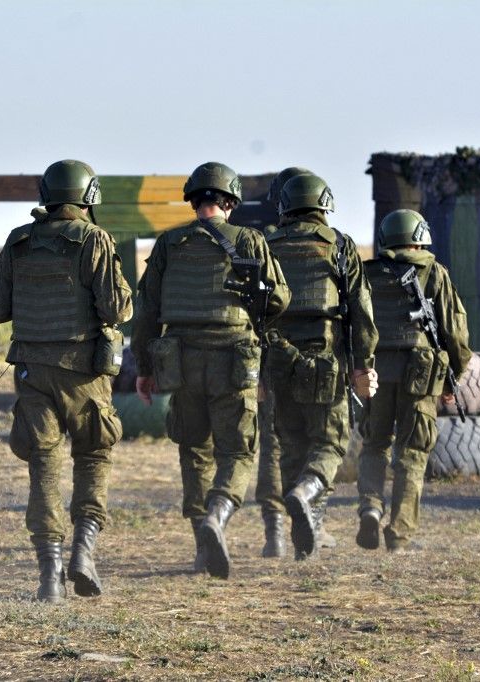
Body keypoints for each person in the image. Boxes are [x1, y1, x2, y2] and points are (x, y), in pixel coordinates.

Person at [0, 160, 133, 602]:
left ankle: (49, 576)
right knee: (93, 456)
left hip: (32, 372)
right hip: (84, 373)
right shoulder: (95, 239)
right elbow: (116, 309)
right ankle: (83, 553)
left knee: (43, 466)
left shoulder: (19, 241)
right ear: (89, 196)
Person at [132, 161, 290, 579]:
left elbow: (146, 312)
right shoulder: (250, 241)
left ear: (194, 201)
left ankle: (202, 549)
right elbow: (280, 299)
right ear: (230, 203)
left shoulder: (168, 244)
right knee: (236, 450)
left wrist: (145, 368)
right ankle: (217, 516)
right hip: (233, 358)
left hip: (180, 359)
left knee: (194, 450)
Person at [263, 172, 378, 560]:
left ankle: (305, 537)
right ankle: (306, 494)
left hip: (278, 361)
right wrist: (363, 365)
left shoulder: (267, 246)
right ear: (324, 205)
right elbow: (361, 312)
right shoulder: (341, 247)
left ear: (285, 208)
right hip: (327, 363)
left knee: (292, 446)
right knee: (329, 443)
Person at [356, 209, 472, 552]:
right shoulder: (434, 273)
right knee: (412, 452)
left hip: (376, 371)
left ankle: (371, 508)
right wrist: (453, 380)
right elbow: (456, 333)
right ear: (420, 236)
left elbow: (356, 324)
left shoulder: (367, 274)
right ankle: (400, 531)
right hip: (420, 374)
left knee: (374, 444)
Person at [254, 167, 308, 558]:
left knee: (272, 444)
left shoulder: (260, 242)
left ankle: (274, 531)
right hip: (320, 359)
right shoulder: (334, 244)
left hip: (272, 354)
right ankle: (307, 524)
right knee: (315, 440)